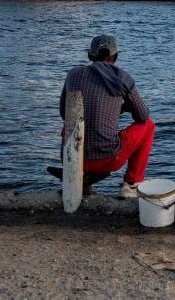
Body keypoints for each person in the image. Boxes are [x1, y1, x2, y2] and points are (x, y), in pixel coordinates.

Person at [60, 34, 154, 199]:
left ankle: (81, 180)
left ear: (90, 56)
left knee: (71, 121)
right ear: (115, 57)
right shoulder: (123, 78)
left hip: (72, 156)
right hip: (108, 158)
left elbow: (63, 112)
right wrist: (123, 108)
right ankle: (131, 185)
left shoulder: (73, 74)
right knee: (149, 126)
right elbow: (142, 116)